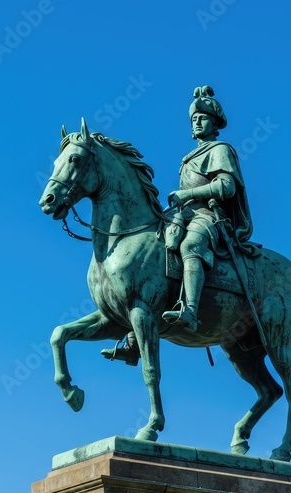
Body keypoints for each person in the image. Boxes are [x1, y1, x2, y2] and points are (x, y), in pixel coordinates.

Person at [101, 85, 259, 365]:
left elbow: (227, 186)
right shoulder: (189, 156)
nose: (197, 122)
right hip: (181, 214)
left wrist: (187, 195)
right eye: (194, 119)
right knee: (147, 254)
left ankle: (191, 310)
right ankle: (135, 339)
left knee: (191, 245)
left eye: (203, 118)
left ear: (215, 123)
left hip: (209, 216)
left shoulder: (220, 149)